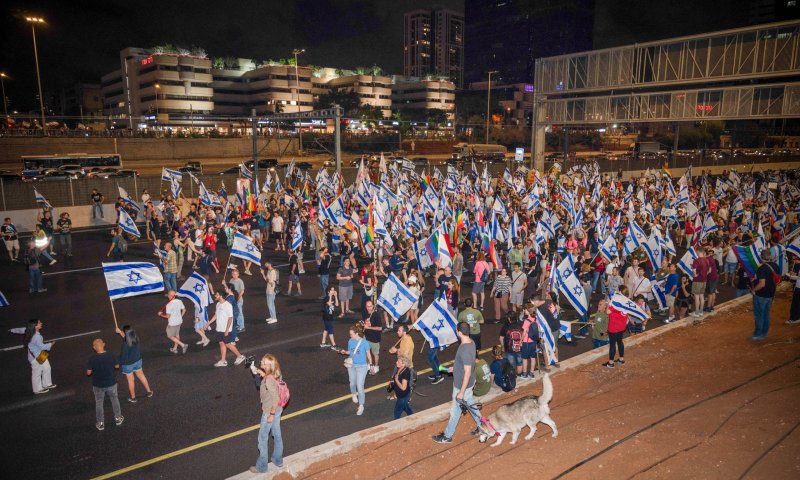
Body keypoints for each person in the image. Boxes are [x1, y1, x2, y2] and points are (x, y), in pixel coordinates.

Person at [432, 322, 483, 443]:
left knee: (455, 411)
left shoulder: (465, 349)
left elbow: (467, 371)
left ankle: (447, 436)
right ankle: (482, 426)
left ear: (459, 332)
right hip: (469, 383)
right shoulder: (471, 342)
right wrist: (454, 368)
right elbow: (469, 363)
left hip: (462, 385)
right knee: (470, 404)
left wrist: (461, 391)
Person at [249, 354, 285, 474]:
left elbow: (275, 397)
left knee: (262, 439)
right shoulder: (275, 374)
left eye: (263, 362)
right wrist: (259, 373)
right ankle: (278, 460)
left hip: (270, 410)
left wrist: (271, 414)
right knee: (277, 435)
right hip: (279, 409)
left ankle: (262, 467)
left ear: (269, 365)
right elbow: (268, 381)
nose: (261, 363)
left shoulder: (269, 380)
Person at [86, 338, 123, 431]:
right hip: (111, 383)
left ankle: (100, 423)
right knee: (114, 400)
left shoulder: (92, 358)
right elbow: (117, 366)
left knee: (99, 403)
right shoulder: (111, 354)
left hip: (98, 385)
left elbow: (88, 373)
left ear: (94, 348)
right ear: (104, 344)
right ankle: (118, 418)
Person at [114, 325, 153, 403]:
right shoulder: (136, 338)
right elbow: (126, 337)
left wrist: (117, 362)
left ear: (125, 334)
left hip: (128, 364)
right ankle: (149, 391)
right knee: (141, 376)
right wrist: (120, 332)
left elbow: (123, 356)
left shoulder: (125, 344)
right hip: (137, 361)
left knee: (131, 380)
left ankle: (133, 397)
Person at [208, 289, 246, 367]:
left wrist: (227, 330)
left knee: (228, 344)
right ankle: (223, 361)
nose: (215, 296)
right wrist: (208, 323)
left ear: (221, 296)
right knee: (221, 343)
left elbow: (230, 318)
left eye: (217, 295)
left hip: (225, 329)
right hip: (219, 329)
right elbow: (216, 315)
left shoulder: (227, 305)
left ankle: (240, 356)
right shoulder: (218, 304)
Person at [750, 249, 779, 341]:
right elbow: (776, 280)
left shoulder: (762, 268)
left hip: (761, 295)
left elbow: (762, 284)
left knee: (759, 315)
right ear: (770, 256)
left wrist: (754, 290)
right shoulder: (775, 266)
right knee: (766, 314)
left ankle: (758, 334)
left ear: (761, 257)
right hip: (770, 294)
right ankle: (764, 333)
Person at [25, 319, 55, 394]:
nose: (41, 323)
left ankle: (47, 384)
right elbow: (42, 346)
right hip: (35, 357)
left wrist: (12, 330)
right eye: (39, 323)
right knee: (37, 373)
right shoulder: (36, 336)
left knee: (47, 368)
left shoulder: (32, 333)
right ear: (35, 326)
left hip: (40, 354)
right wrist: (51, 344)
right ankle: (37, 389)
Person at [345, 323, 369, 416]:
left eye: (351, 334)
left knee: (360, 386)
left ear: (356, 334)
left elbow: (368, 354)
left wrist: (370, 364)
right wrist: (344, 352)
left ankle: (361, 405)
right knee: (352, 383)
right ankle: (353, 394)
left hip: (362, 366)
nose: (350, 335)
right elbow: (350, 352)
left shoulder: (364, 342)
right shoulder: (350, 341)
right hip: (352, 365)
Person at [603, 297, 628, 368]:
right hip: (621, 327)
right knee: (620, 342)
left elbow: (607, 312)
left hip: (613, 328)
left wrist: (609, 303)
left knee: (612, 344)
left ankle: (611, 363)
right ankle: (621, 359)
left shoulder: (614, 304)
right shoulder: (624, 302)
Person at [362, 300, 382, 374]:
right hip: (366, 336)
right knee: (366, 352)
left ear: (373, 306)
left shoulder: (376, 315)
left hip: (375, 338)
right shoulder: (365, 313)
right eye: (367, 306)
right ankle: (368, 365)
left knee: (375, 354)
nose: (369, 308)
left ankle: (376, 366)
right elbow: (365, 322)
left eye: (370, 306)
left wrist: (369, 328)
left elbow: (380, 328)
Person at [390, 354, 413, 419]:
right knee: (406, 408)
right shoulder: (400, 368)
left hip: (403, 397)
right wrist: (393, 382)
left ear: (403, 364)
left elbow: (403, 387)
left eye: (398, 361)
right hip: (402, 396)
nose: (396, 362)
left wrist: (396, 380)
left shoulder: (405, 373)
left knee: (397, 412)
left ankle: (397, 424)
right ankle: (413, 417)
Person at [229, 268, 246, 332]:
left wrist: (237, 299)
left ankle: (242, 327)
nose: (234, 275)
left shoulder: (240, 281)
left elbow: (242, 291)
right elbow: (229, 289)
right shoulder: (231, 280)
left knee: (239, 313)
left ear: (238, 275)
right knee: (235, 313)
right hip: (233, 300)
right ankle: (238, 324)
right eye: (233, 274)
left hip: (238, 301)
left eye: (236, 274)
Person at [786, 255, 800, 325]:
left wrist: (794, 276)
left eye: (795, 259)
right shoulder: (797, 265)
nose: (794, 261)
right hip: (798, 286)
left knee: (795, 304)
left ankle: (794, 318)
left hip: (799, 287)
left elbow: (797, 277)